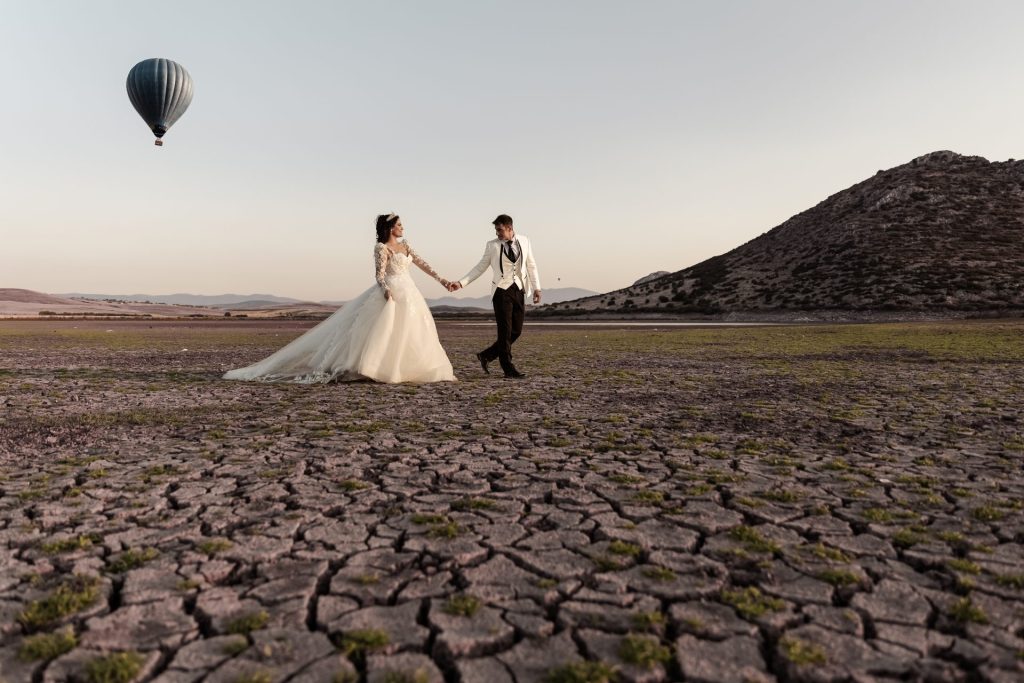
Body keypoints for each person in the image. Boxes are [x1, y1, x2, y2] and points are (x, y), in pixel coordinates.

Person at [223, 214, 456, 383]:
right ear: (389, 228)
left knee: (414, 329)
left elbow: (422, 263)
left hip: (410, 291)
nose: (403, 227)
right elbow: (379, 274)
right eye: (399, 225)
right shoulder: (381, 248)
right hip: (392, 290)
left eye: (402, 224)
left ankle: (411, 368)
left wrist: (441, 279)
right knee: (384, 331)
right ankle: (376, 369)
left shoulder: (406, 246)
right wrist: (385, 289)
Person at [450, 214, 541, 379]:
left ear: (510, 228)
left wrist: (537, 288)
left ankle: (486, 355)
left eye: (500, 230)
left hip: (519, 289)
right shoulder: (492, 246)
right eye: (496, 230)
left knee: (516, 331)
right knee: (504, 331)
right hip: (501, 291)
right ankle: (508, 369)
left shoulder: (525, 241)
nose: (497, 233)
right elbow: (480, 267)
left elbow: (531, 265)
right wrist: (461, 283)